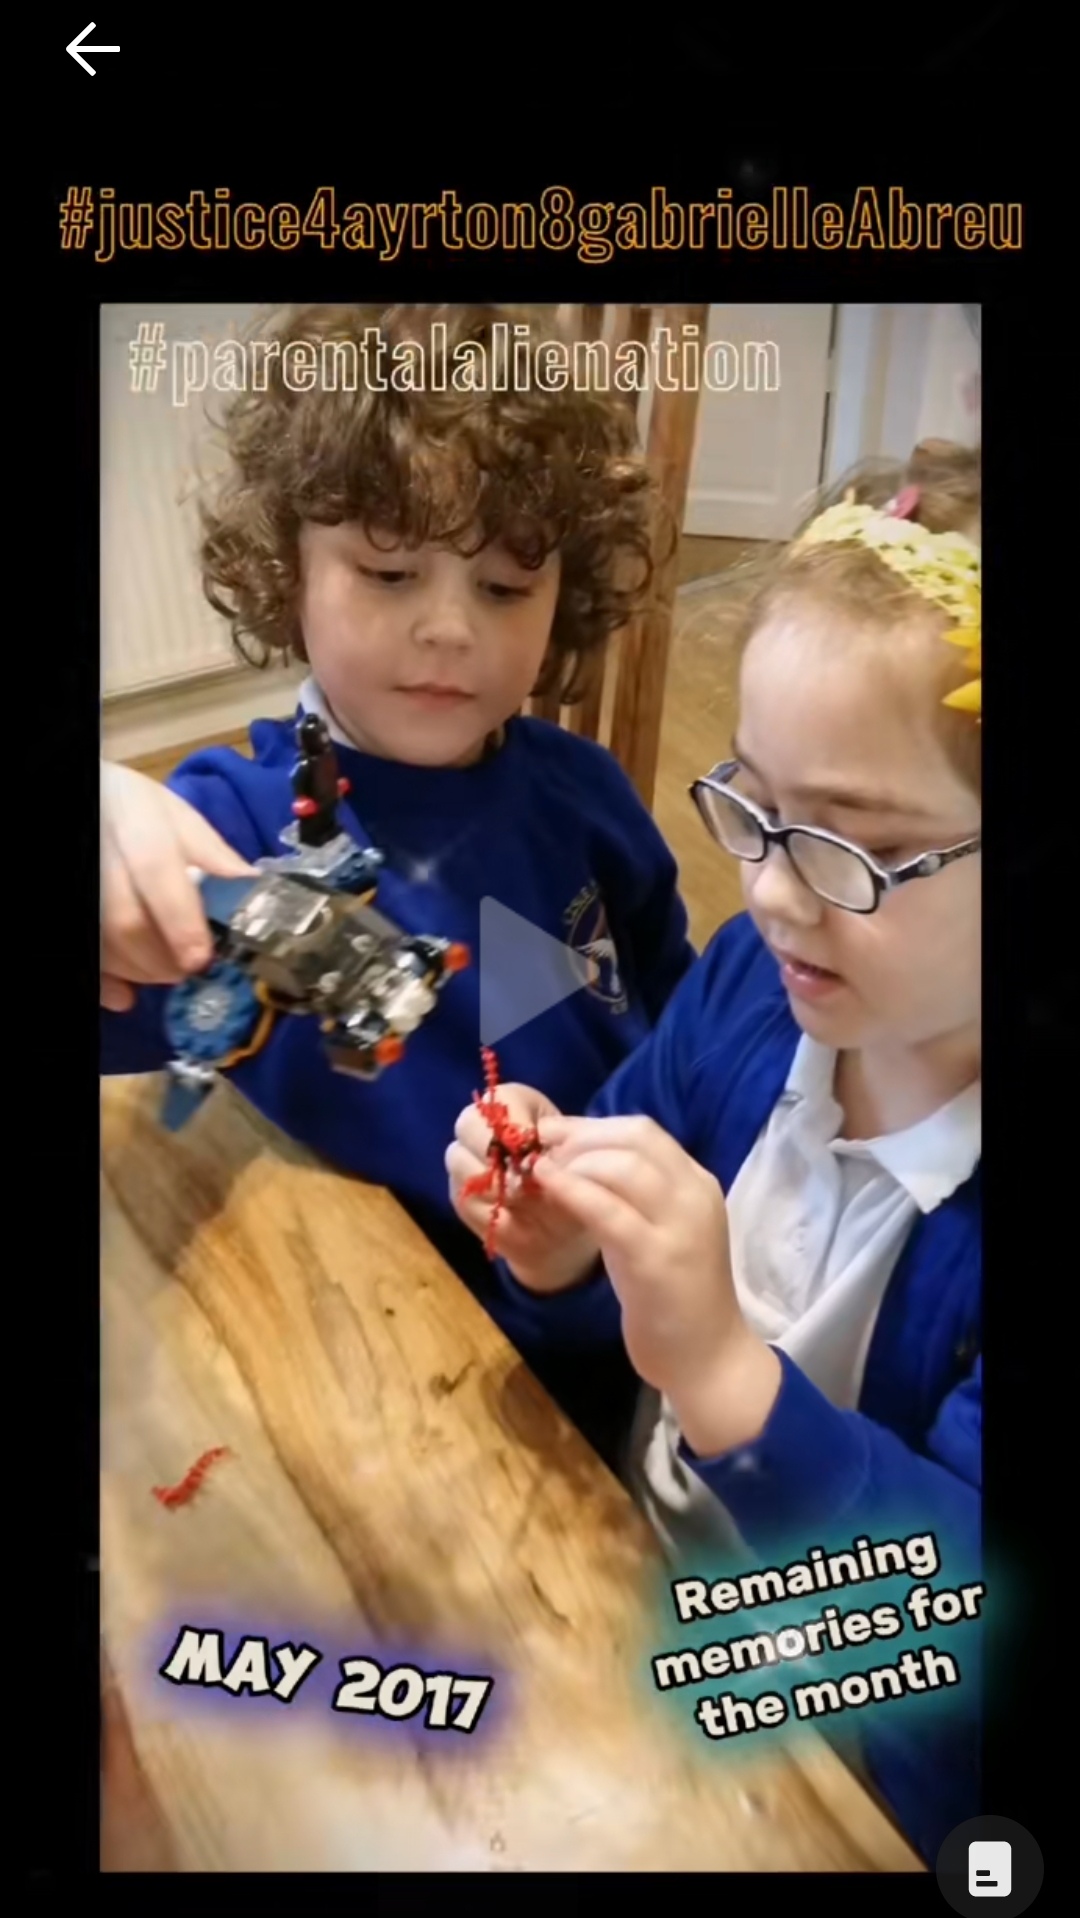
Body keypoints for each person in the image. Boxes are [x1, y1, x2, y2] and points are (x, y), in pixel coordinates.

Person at [447, 441, 982, 1863]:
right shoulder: (754, 982)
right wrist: (556, 1250)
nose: (765, 889)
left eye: (855, 847)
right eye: (757, 810)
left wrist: (732, 1379)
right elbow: (593, 1327)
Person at [100, 303, 696, 1466]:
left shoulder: (591, 798)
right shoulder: (223, 832)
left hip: (609, 1345)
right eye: (386, 570)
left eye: (505, 587)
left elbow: (682, 1034)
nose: (446, 631)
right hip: (355, 1399)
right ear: (291, 569)